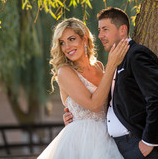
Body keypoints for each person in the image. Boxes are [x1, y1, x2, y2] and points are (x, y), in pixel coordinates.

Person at [64, 8, 158, 159]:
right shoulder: (113, 62)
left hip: (138, 144)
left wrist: (149, 141)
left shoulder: (137, 55)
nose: (100, 35)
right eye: (99, 30)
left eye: (105, 29)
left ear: (122, 30)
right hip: (115, 146)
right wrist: (75, 117)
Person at [38, 18, 129, 159]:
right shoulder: (65, 72)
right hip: (81, 141)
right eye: (62, 43)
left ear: (84, 39)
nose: (67, 47)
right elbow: (94, 105)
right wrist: (112, 65)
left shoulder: (99, 67)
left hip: (109, 136)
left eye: (72, 39)